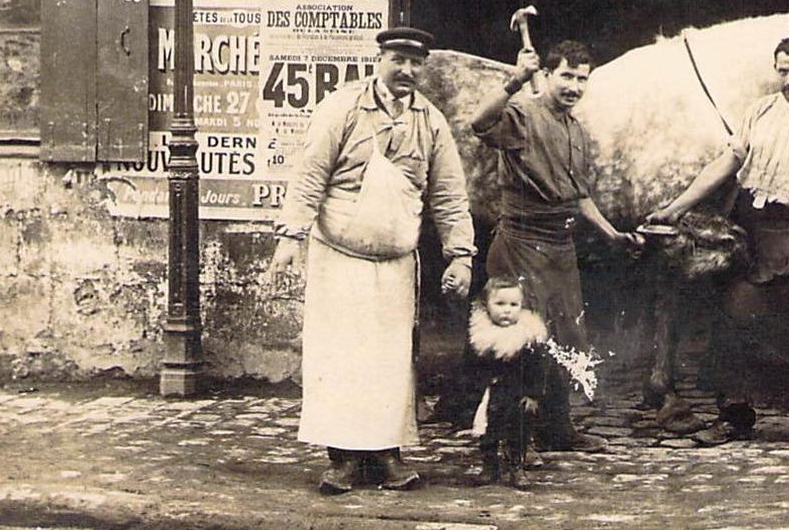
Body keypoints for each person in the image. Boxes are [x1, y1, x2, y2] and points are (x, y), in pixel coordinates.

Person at [268, 26, 476, 495]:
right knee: (340, 356)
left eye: (415, 63)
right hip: (339, 256)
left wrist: (460, 255)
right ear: (379, 58)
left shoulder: (431, 121)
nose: (406, 71)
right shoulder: (341, 108)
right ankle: (341, 458)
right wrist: (290, 238)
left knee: (390, 360)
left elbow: (449, 194)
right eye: (398, 59)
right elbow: (309, 176)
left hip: (396, 261)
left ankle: (386, 455)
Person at [648, 35, 789, 447]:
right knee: (734, 316)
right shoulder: (760, 111)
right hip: (755, 230)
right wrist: (675, 208)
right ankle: (734, 416)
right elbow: (727, 164)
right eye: (782, 71)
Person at [470, 39, 633, 452]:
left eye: (582, 79)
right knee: (521, 339)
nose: (574, 86)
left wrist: (611, 233)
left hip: (560, 244)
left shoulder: (575, 128)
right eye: (566, 76)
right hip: (521, 240)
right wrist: (516, 80)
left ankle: (558, 429)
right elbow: (479, 122)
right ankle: (509, 439)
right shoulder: (523, 113)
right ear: (548, 74)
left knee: (564, 336)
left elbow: (579, 196)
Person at [462, 275, 552, 488]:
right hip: (489, 395)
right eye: (500, 304)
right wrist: (471, 392)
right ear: (486, 306)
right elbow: (469, 367)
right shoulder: (480, 335)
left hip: (517, 394)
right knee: (488, 432)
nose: (507, 310)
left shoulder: (527, 335)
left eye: (514, 304)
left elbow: (539, 367)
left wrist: (533, 393)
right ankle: (489, 467)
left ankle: (516, 467)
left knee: (518, 432)